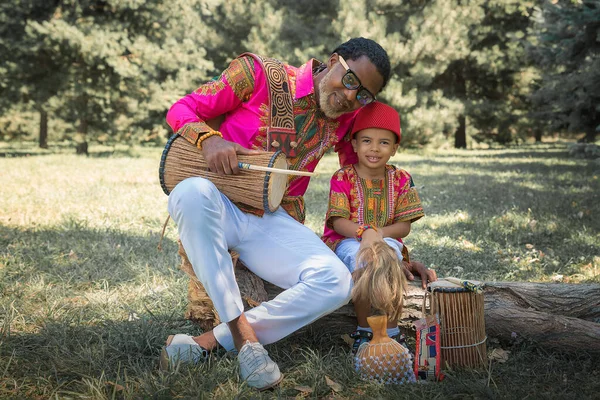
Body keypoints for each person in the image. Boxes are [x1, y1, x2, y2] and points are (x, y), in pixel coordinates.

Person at [162, 37, 391, 390]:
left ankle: (206, 343)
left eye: (363, 95)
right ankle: (246, 342)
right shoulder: (256, 73)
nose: (350, 97)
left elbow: (357, 182)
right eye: (349, 81)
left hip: (272, 221)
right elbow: (181, 108)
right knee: (190, 192)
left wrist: (387, 245)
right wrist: (209, 140)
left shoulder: (347, 120)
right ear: (332, 61)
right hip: (215, 204)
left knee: (337, 281)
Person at [321, 101, 437, 352]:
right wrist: (365, 234)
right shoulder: (343, 177)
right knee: (364, 262)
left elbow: (404, 227)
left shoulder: (402, 178)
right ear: (354, 143)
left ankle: (391, 332)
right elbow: (339, 222)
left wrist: (379, 234)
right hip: (348, 240)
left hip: (387, 238)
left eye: (384, 142)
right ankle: (363, 330)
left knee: (390, 264)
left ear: (395, 148)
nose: (374, 148)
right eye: (366, 141)